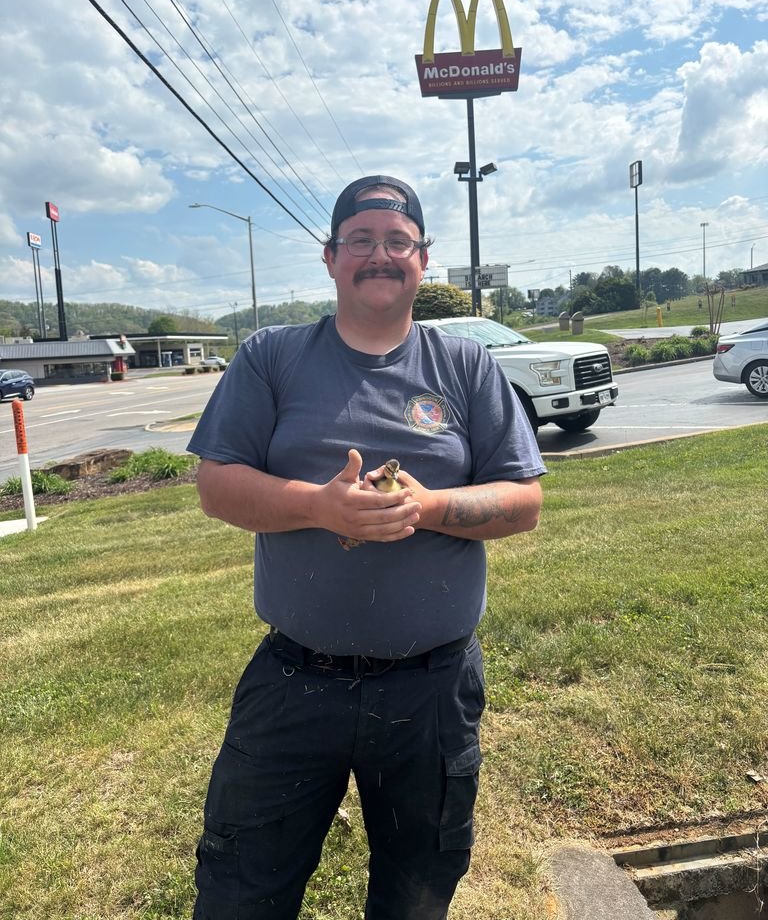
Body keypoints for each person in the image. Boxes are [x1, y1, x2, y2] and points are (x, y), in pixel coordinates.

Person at [187, 175, 546, 920]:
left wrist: (431, 505)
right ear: (330, 257)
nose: (379, 255)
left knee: (416, 893)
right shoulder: (272, 357)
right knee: (241, 890)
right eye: (361, 240)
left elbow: (524, 502)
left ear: (422, 260)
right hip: (294, 682)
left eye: (397, 242)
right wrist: (321, 507)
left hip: (432, 690)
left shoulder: (466, 366)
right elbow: (218, 487)